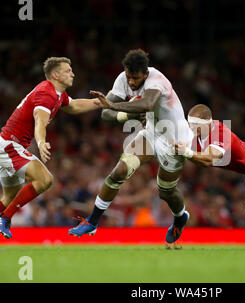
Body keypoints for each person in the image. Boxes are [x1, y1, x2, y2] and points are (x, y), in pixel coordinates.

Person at [0, 57, 103, 249]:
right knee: (45, 180)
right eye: (68, 70)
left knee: (9, 198)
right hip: (10, 146)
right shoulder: (46, 94)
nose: (73, 73)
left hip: (7, 145)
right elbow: (40, 121)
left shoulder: (57, 94)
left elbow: (74, 106)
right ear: (55, 75)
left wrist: (100, 103)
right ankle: (5, 219)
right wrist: (41, 142)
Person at [68, 49, 193, 244]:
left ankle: (180, 217)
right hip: (151, 133)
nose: (131, 82)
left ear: (145, 73)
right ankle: (92, 221)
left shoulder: (157, 79)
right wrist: (128, 115)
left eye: (135, 78)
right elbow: (105, 114)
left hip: (175, 139)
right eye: (129, 77)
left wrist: (115, 106)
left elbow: (147, 104)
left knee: (166, 191)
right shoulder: (122, 79)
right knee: (120, 171)